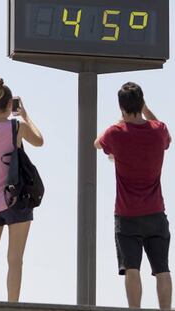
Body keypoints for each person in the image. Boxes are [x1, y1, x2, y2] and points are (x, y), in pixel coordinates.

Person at [94, 82, 172, 309]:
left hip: (127, 215)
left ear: (121, 107)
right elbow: (164, 133)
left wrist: (119, 123)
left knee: (132, 268)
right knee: (162, 269)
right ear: (141, 102)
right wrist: (146, 110)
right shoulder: (159, 131)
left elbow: (97, 143)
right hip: (156, 213)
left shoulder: (116, 133)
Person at [0, 77, 43, 302]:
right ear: (10, 105)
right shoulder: (17, 127)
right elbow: (39, 141)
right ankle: (12, 306)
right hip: (16, 200)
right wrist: (24, 115)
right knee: (15, 260)